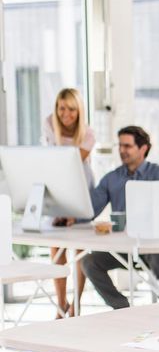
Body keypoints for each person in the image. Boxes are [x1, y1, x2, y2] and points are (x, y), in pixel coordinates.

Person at [80, 126, 159, 310]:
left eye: (127, 146)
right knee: (89, 261)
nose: (122, 150)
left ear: (143, 148)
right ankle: (121, 307)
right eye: (120, 146)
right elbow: (90, 210)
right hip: (124, 246)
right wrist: (71, 217)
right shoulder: (111, 178)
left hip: (153, 244)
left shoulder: (158, 174)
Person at [42, 88, 96, 316]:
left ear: (79, 111)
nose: (66, 114)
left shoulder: (88, 133)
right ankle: (61, 304)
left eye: (71, 109)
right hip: (56, 185)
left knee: (80, 249)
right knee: (57, 248)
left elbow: (72, 166)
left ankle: (77, 304)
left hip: (80, 186)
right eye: (61, 108)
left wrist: (73, 212)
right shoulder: (48, 124)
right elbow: (51, 161)